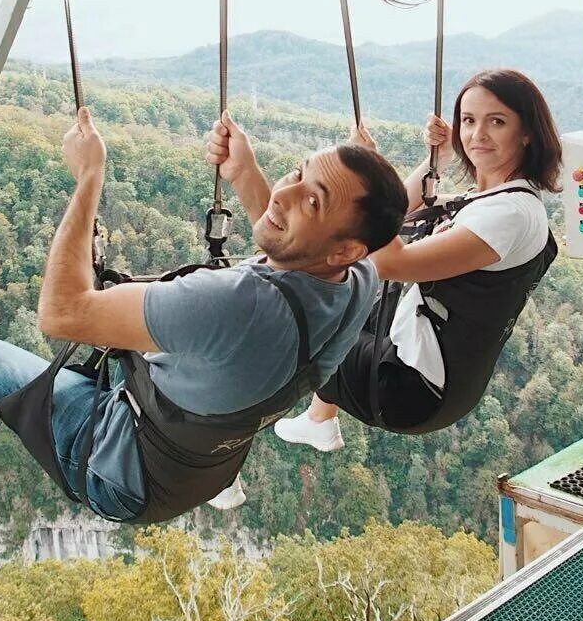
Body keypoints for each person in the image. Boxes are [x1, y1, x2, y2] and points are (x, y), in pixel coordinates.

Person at [0, 107, 408, 545]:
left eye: (312, 199)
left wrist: (89, 178)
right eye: (296, 173)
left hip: (119, 473)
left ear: (346, 247)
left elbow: (62, 313)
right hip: (193, 466)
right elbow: (298, 251)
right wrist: (245, 174)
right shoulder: (360, 280)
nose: (283, 195)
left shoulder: (233, 305)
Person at [217, 71, 559, 475]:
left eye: (496, 121)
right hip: (436, 376)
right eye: (468, 121)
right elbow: (403, 212)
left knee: (292, 311)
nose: (477, 134)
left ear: (527, 133)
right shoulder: (494, 200)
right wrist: (437, 159)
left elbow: (392, 260)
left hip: (405, 386)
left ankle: (217, 453)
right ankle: (319, 418)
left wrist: (363, 171)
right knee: (338, 281)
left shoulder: (509, 215)